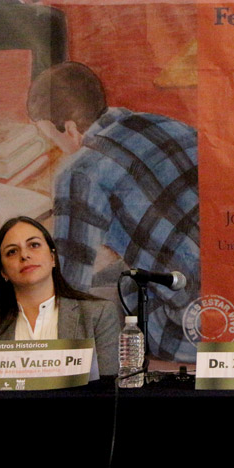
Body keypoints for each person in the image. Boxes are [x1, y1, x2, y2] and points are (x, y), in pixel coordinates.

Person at [26, 62, 200, 362]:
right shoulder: (164, 123)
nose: (51, 146)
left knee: (119, 293)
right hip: (231, 304)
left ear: (68, 128)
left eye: (48, 137)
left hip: (187, 328)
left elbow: (69, 289)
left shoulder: (80, 172)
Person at [0, 216, 120, 375]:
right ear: (3, 271)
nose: (24, 255)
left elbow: (107, 391)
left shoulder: (98, 314)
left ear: (53, 258)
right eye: (12, 251)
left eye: (34, 245)